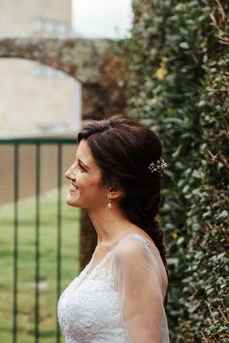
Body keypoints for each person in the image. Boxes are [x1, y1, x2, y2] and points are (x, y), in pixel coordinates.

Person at [57, 115, 169, 343]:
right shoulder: (107, 245)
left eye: (82, 167)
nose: (69, 173)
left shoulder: (132, 251)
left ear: (114, 188)